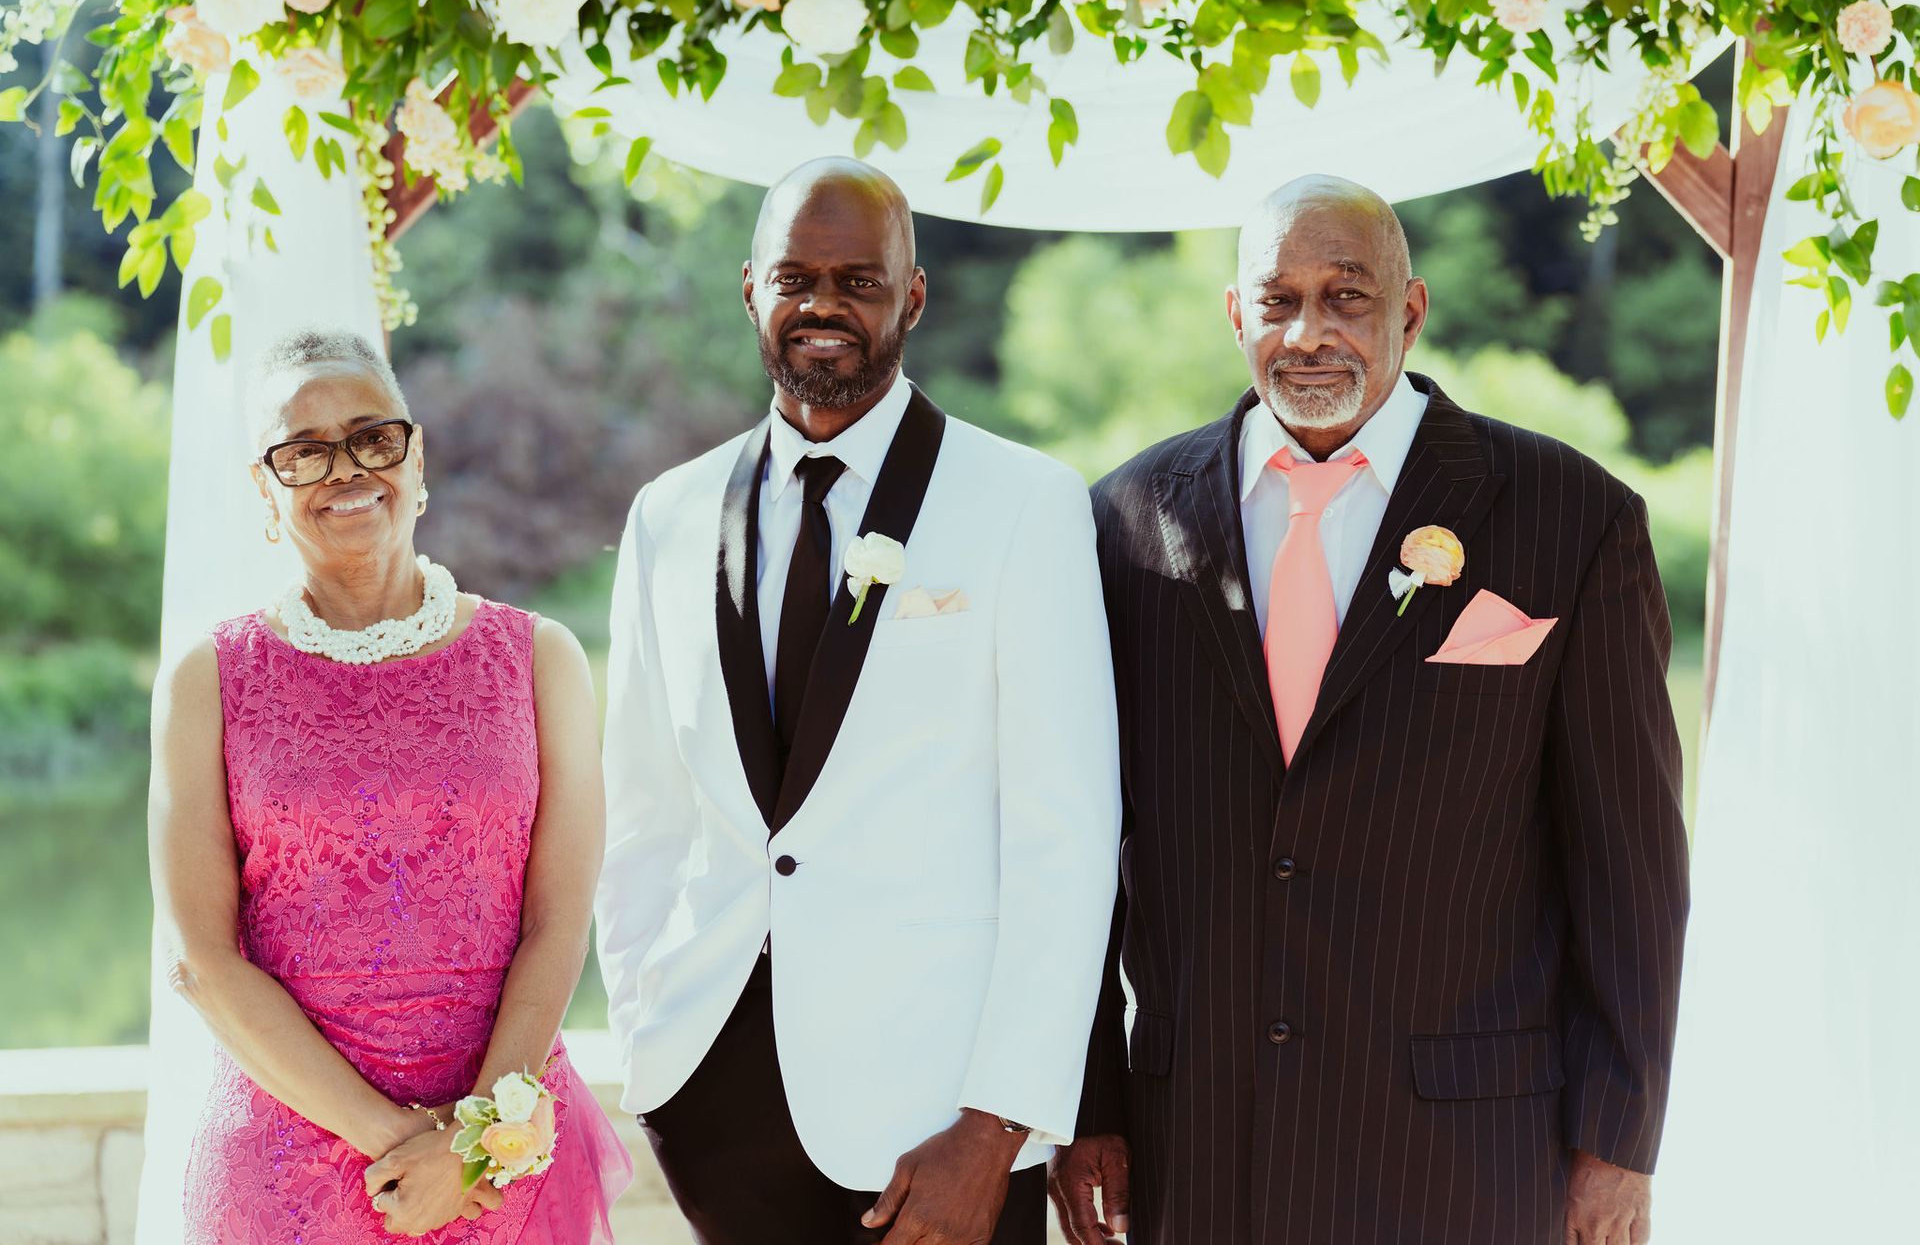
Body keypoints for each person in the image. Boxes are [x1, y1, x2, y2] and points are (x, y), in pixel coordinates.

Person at [1050, 175, 1691, 1245]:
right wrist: (1089, 1104)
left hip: (1462, 1153)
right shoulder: (1122, 524)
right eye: (1279, 298)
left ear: (1411, 308)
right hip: (1200, 1140)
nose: (1310, 332)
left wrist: (1619, 1141)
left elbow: (1630, 873)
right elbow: (1075, 848)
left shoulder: (1574, 522)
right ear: (1234, 313)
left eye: (1347, 296)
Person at [595, 157, 1122, 1245]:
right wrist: (653, 1045)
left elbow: (1065, 843)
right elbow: (643, 807)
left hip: (939, 1116)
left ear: (913, 296)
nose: (823, 305)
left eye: (858, 280)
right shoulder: (668, 514)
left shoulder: (1026, 504)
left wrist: (998, 1123)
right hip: (716, 1099)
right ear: (751, 289)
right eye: (796, 276)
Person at [150, 330, 632, 1242]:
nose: (346, 469)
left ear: (417, 458)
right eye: (304, 451)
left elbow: (559, 921)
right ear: (265, 486)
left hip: (501, 1156)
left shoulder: (541, 660)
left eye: (374, 436)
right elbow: (201, 961)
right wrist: (400, 1143)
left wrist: (475, 1141)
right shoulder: (206, 679)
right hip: (289, 1164)